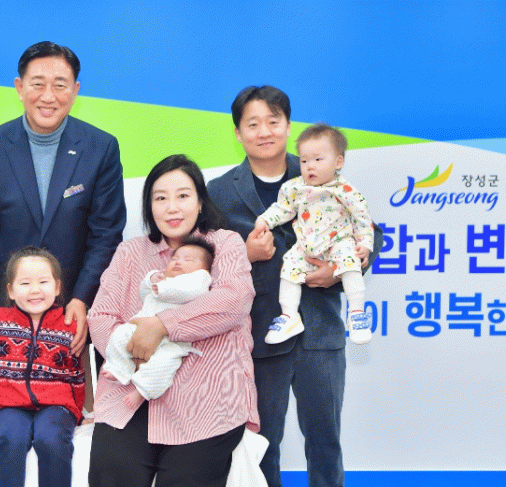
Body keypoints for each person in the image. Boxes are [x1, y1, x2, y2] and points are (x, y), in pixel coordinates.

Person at [207, 86, 384, 487]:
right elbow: (205, 258)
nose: (264, 132)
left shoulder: (317, 167)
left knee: (325, 442)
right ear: (237, 133)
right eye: (253, 124)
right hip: (258, 334)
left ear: (288, 126)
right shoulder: (218, 191)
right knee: (261, 445)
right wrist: (244, 254)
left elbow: (369, 231)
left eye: (273, 121)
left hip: (320, 331)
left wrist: (338, 270)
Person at [0, 42, 126, 383]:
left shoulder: (100, 148)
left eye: (60, 85)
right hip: (9, 305)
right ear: (19, 87)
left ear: (75, 90)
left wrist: (82, 298)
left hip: (72, 306)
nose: (48, 96)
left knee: (71, 405)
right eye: (38, 84)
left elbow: (106, 236)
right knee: (12, 404)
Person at [87, 155, 259, 487]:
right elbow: (101, 316)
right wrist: (135, 352)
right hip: (131, 391)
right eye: (160, 198)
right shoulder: (130, 252)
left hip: (206, 398)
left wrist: (162, 325)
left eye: (183, 195)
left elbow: (234, 300)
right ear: (149, 206)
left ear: (200, 202)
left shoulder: (225, 243)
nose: (172, 208)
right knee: (112, 477)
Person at [0, 246, 84, 487]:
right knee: (11, 439)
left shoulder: (69, 326)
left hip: (56, 406)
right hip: (9, 406)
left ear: (57, 287)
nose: (35, 290)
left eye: (43, 281)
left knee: (51, 439)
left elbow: (77, 375)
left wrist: (77, 412)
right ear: (11, 290)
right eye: (25, 283)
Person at [255, 123, 374, 346]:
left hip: (338, 242)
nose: (310, 166)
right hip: (306, 245)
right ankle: (290, 315)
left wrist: (365, 244)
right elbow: (283, 209)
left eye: (318, 159)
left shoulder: (346, 190)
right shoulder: (294, 188)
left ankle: (357, 313)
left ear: (338, 162)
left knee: (350, 263)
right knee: (289, 268)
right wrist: (265, 220)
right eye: (304, 161)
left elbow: (362, 219)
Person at [101, 236, 214, 409]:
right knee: (119, 335)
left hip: (172, 340)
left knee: (164, 364)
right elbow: (145, 294)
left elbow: (189, 291)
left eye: (188, 260)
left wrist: (163, 288)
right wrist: (151, 280)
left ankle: (142, 392)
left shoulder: (200, 279)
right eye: (175, 259)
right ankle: (119, 369)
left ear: (204, 268)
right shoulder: (163, 281)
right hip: (140, 327)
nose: (178, 262)